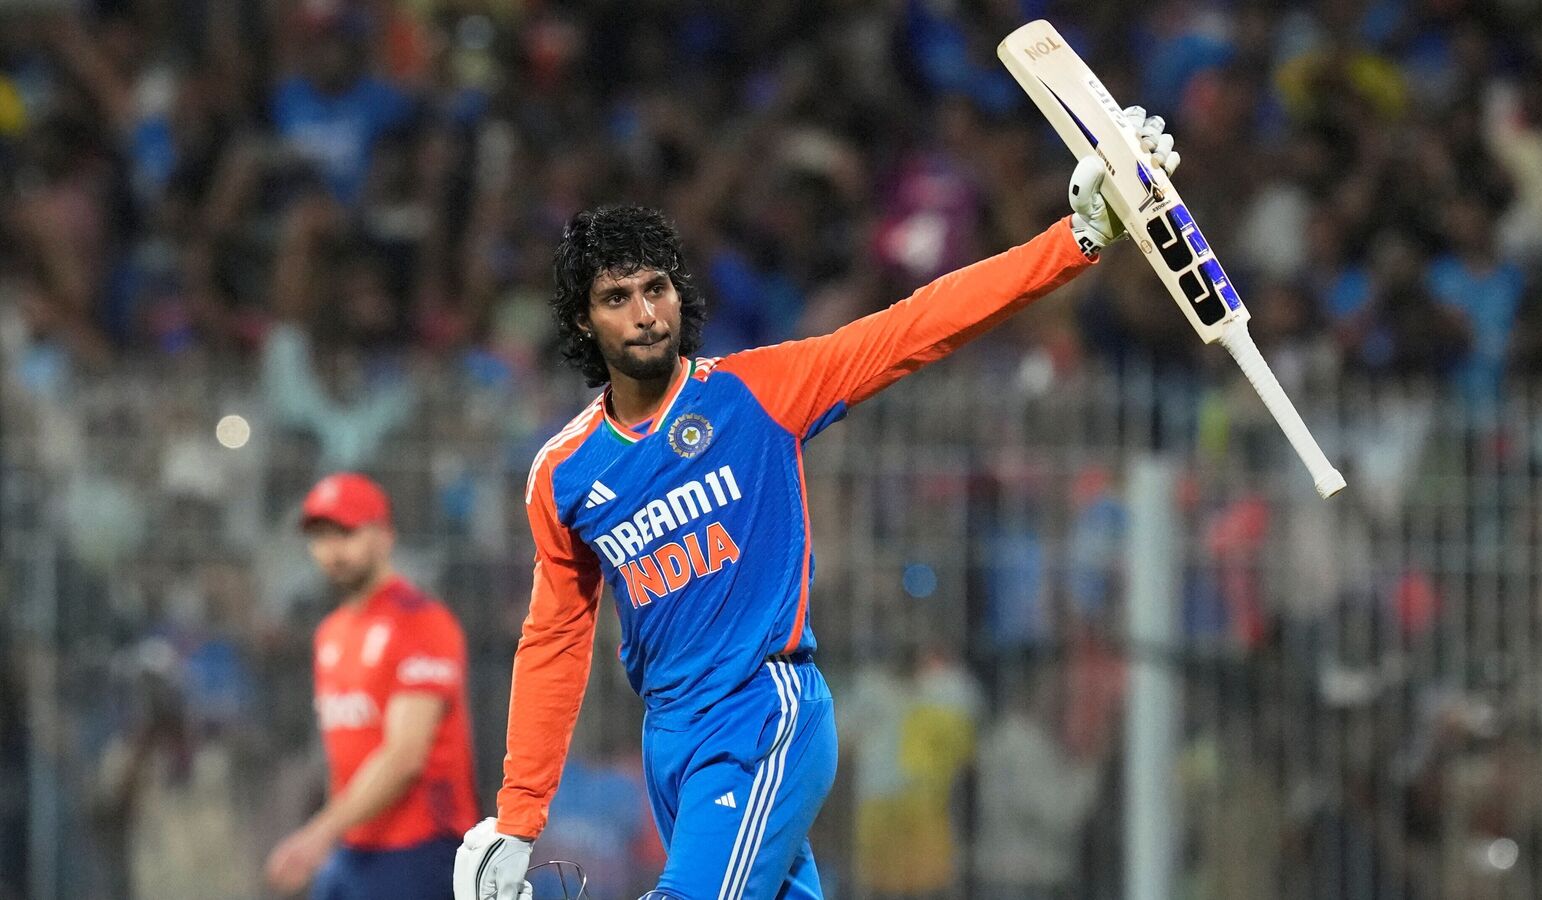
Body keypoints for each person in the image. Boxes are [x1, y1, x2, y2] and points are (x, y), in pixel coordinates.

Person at [454, 110, 1180, 900]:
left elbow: (919, 325)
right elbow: (555, 640)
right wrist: (518, 820)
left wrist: (1076, 239)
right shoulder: (562, 473)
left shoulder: (756, 394)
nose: (644, 312)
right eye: (617, 297)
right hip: (672, 740)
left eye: (656, 287)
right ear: (582, 322)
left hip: (764, 713)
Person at [267, 473, 478, 899]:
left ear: (384, 536)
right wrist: (331, 837)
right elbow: (344, 755)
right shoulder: (331, 633)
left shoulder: (421, 622)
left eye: (346, 532)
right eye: (321, 536)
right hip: (352, 849)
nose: (333, 549)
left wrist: (317, 834)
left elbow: (405, 757)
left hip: (421, 848)